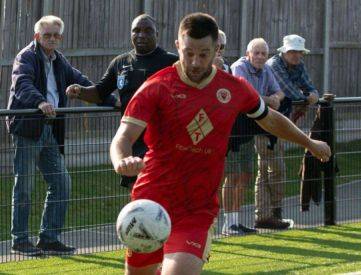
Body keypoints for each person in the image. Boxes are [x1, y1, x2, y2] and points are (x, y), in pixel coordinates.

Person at [110, 12, 330, 275]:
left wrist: (309, 142)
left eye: (203, 54)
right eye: (188, 52)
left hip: (196, 210)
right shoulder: (156, 87)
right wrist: (121, 160)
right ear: (178, 46)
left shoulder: (234, 88)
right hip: (151, 203)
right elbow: (123, 136)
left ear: (217, 49)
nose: (194, 61)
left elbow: (269, 119)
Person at [6, 15, 113, 256]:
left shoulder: (59, 60)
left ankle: (49, 238)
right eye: (47, 35)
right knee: (24, 184)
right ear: (37, 36)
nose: (52, 38)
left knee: (61, 182)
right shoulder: (26, 57)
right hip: (28, 128)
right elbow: (22, 84)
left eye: (56, 35)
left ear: (60, 37)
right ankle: (20, 240)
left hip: (50, 129)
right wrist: (41, 102)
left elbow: (83, 82)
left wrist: (112, 100)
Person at [66, 14, 178, 190]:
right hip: (131, 140)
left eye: (148, 30)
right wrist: (80, 92)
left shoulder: (172, 63)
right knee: (137, 195)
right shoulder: (121, 63)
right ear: (131, 34)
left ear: (157, 34)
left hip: (162, 141)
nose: (141, 35)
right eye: (137, 30)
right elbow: (100, 93)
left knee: (164, 194)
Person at [221, 38, 286, 235]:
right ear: (248, 54)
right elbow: (247, 96)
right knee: (231, 175)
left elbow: (280, 92)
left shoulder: (266, 69)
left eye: (263, 54)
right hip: (233, 130)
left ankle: (237, 221)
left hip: (250, 129)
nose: (259, 57)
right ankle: (227, 223)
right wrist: (270, 100)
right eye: (256, 53)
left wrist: (276, 98)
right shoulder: (239, 67)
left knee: (245, 175)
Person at [258, 34, 319, 227]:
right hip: (264, 122)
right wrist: (307, 96)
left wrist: (310, 95)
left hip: (281, 123)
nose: (296, 55)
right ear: (284, 51)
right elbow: (291, 92)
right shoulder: (274, 65)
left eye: (299, 52)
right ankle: (269, 215)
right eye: (292, 51)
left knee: (270, 169)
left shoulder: (298, 65)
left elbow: (312, 90)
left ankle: (269, 216)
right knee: (273, 168)